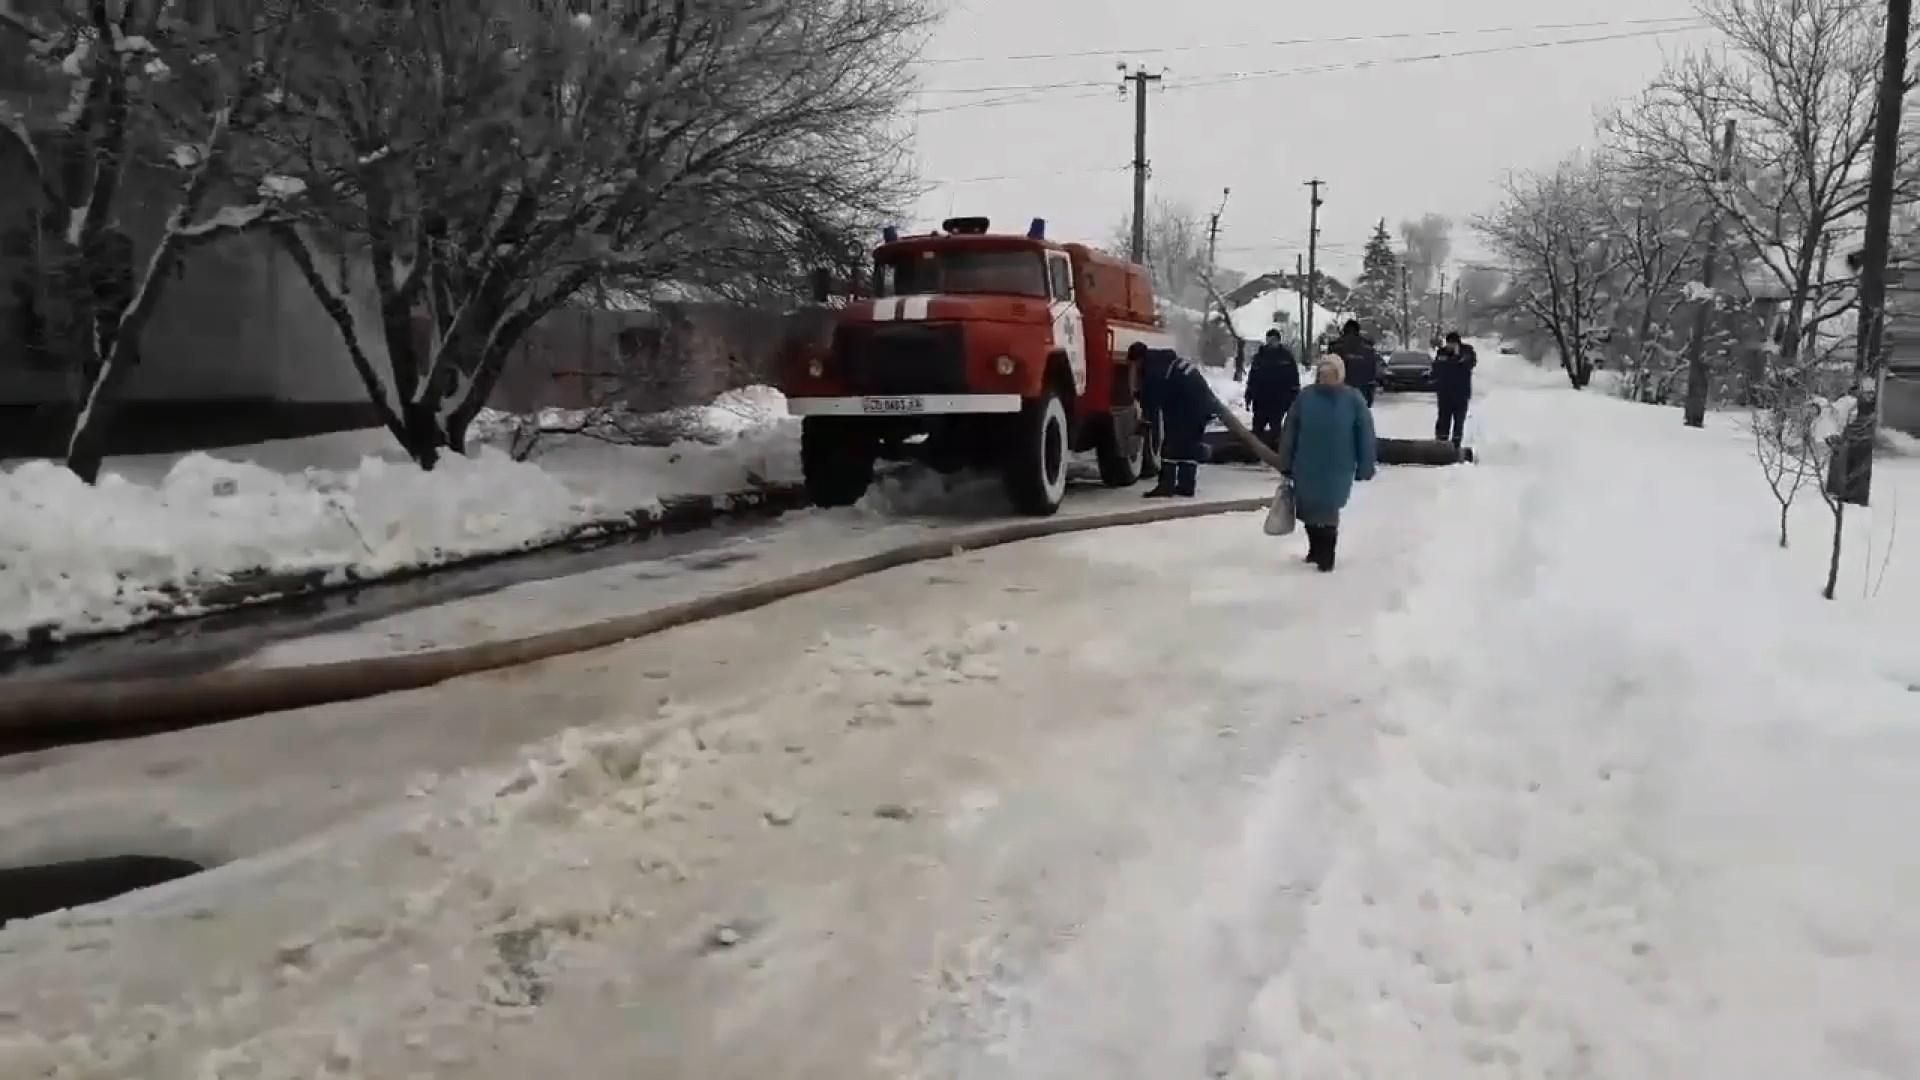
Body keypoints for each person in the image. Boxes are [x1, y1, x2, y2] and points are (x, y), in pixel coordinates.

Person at [1276, 353, 1377, 572]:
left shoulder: (1353, 399)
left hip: (1338, 465)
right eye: (1323, 374)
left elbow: (1365, 433)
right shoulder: (1306, 397)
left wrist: (1366, 464)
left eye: (1331, 374)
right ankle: (1315, 549)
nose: (1326, 378)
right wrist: (1285, 460)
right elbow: (1290, 430)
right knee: (1308, 509)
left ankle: (1327, 555)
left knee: (1329, 509)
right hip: (1306, 462)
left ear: (1340, 375)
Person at [1133, 342, 1215, 498]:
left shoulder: (1155, 369)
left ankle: (1166, 486)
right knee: (1189, 446)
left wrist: (1145, 420)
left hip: (1186, 407)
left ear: (1139, 359)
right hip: (1201, 404)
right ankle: (1186, 486)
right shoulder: (1167, 362)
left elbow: (1152, 399)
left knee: (1170, 446)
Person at [1244, 329, 1299, 449]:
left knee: (1276, 429)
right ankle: (1255, 452)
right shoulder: (1260, 357)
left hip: (1278, 400)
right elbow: (1252, 378)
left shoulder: (1286, 357)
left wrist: (1293, 398)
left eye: (1274, 340)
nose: (1271, 342)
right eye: (1269, 340)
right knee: (1257, 429)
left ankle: (1276, 453)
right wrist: (1249, 395)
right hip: (1261, 400)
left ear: (1279, 341)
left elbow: (1294, 379)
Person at [1433, 330, 1477, 446]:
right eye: (1448, 343)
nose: (1450, 346)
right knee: (1443, 419)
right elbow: (1436, 368)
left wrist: (1457, 356)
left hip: (1461, 394)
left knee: (1459, 420)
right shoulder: (1442, 353)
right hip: (1444, 393)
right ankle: (1441, 443)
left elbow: (1470, 364)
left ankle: (1456, 445)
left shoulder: (1467, 352)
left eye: (1453, 343)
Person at [1329, 318, 1382, 406]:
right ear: (1358, 330)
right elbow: (1372, 369)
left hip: (1339, 391)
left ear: (1344, 330)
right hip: (1362, 390)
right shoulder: (1368, 347)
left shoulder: (1335, 346)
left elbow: (1328, 369)